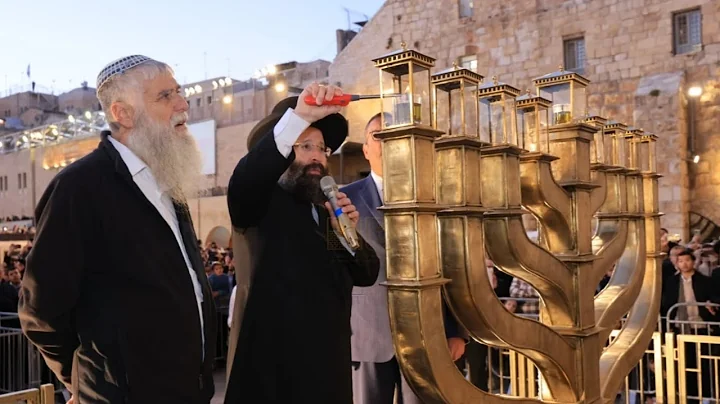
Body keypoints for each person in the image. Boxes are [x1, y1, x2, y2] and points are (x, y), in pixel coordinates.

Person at [18, 55, 216, 404]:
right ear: (123, 113)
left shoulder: (169, 183)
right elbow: (41, 310)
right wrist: (88, 381)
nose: (183, 105)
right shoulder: (79, 188)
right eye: (165, 96)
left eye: (179, 92)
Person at [223, 84, 380, 403]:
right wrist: (300, 115)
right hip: (276, 377)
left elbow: (366, 273)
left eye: (322, 149)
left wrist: (346, 234)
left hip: (329, 374)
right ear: (281, 153)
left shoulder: (325, 212)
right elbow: (247, 179)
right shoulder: (262, 203)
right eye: (305, 145)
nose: (317, 157)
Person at [341, 112, 466, 404]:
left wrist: (454, 330)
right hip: (367, 333)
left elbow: (447, 266)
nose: (386, 143)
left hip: (426, 335)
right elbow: (335, 266)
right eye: (377, 136)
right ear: (366, 149)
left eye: (393, 135)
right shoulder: (342, 199)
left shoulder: (432, 197)